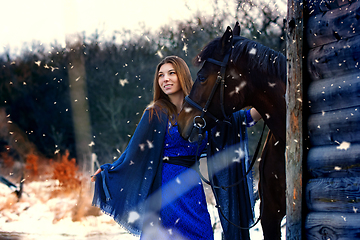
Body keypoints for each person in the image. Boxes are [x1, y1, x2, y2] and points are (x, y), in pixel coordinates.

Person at [91, 55, 261, 240]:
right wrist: (111, 170)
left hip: (192, 188)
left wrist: (269, 101)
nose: (165, 79)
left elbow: (238, 121)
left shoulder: (202, 114)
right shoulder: (155, 113)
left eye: (171, 73)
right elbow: (134, 153)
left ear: (182, 75)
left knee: (202, 233)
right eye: (161, 75)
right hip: (164, 190)